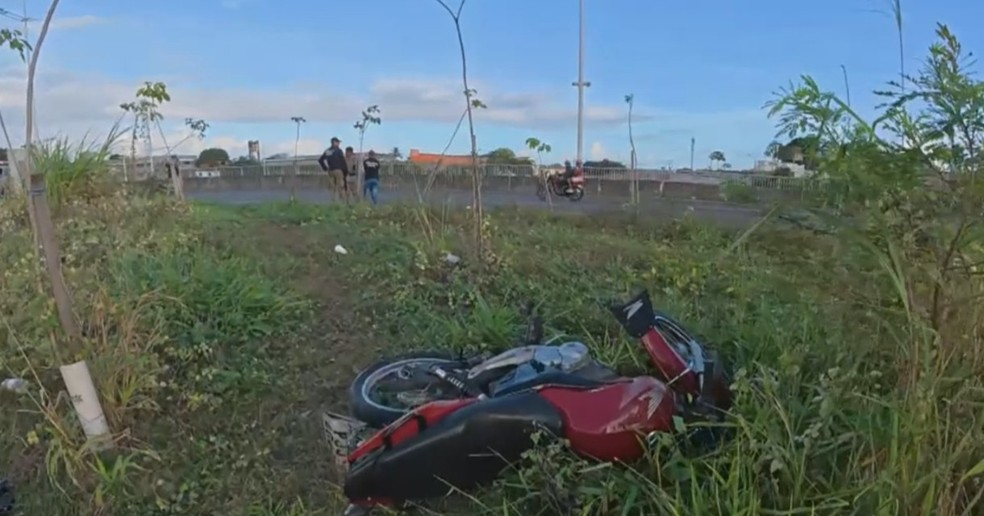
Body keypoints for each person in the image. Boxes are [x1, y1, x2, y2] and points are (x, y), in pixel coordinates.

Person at [318, 137, 349, 201]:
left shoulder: (327, 151)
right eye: (337, 142)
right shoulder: (338, 150)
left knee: (333, 187)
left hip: (330, 171)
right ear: (334, 142)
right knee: (340, 186)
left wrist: (325, 168)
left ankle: (334, 201)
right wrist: (345, 171)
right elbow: (342, 161)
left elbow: (320, 160)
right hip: (338, 170)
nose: (338, 144)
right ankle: (344, 201)